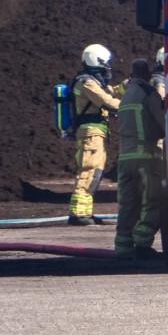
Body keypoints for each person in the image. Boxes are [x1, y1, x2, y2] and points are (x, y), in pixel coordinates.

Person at [113, 58, 166, 262]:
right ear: (147, 74)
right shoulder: (148, 94)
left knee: (128, 204)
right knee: (152, 201)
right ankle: (142, 244)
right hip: (146, 158)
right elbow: (163, 126)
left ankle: (123, 248)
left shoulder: (126, 96)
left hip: (125, 159)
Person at [69, 43, 122, 225]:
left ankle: (85, 211)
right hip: (90, 134)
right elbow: (105, 100)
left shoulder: (94, 81)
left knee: (95, 172)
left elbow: (110, 92)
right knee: (89, 170)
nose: (108, 66)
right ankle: (78, 213)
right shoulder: (86, 82)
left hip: (96, 133)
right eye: (105, 62)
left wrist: (129, 85)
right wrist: (129, 107)